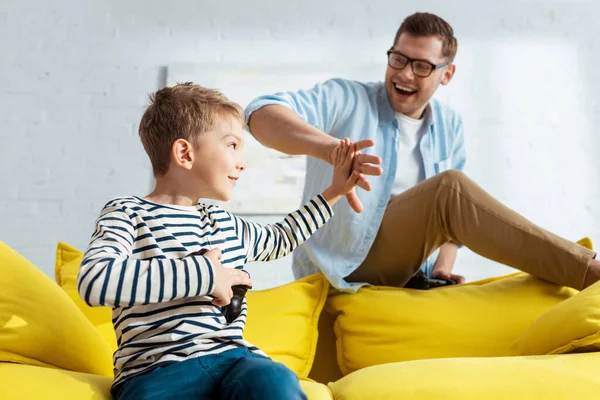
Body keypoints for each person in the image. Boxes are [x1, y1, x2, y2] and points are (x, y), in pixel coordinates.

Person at [245, 12, 599, 293]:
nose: (405, 74)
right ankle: (588, 271)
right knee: (449, 189)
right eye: (398, 59)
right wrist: (333, 151)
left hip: (409, 269)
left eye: (422, 66)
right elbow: (261, 113)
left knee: (450, 191)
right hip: (343, 264)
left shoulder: (449, 125)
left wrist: (443, 269)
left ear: (447, 75)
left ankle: (576, 269)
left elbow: (453, 223)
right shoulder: (347, 98)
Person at [77, 83, 361, 400]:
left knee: (273, 378)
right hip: (157, 371)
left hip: (233, 360)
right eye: (232, 146)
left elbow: (279, 238)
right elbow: (95, 280)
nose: (242, 162)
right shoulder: (128, 213)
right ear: (185, 153)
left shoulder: (225, 223)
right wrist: (207, 275)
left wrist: (333, 192)